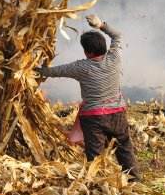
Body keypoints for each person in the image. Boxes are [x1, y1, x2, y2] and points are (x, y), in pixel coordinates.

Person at [37, 15, 140, 181]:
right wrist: (100, 25)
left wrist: (37, 68)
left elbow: (54, 71)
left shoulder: (81, 67)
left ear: (87, 51)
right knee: (124, 147)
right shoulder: (114, 58)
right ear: (104, 46)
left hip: (94, 118)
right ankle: (134, 179)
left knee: (94, 154)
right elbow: (118, 36)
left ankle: (96, 183)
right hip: (118, 114)